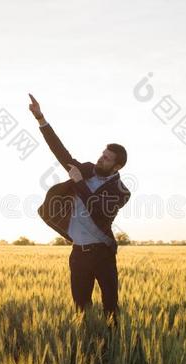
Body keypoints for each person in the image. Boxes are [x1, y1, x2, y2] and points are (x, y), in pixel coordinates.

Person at [28, 93, 131, 325]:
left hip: (103, 254)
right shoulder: (85, 169)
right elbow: (61, 153)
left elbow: (100, 213)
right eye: (102, 154)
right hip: (79, 254)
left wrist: (79, 184)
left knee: (111, 309)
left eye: (106, 159)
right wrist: (41, 119)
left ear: (117, 166)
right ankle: (86, 347)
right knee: (81, 310)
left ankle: (112, 352)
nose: (100, 159)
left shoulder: (121, 192)